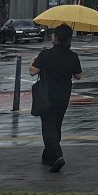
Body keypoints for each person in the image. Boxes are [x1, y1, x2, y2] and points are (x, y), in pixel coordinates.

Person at [29, 23, 82, 171]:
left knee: (48, 128)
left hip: (47, 95)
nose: (51, 36)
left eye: (53, 35)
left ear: (56, 38)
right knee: (56, 126)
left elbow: (33, 71)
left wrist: (32, 61)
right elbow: (78, 75)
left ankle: (57, 156)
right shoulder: (73, 56)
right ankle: (48, 157)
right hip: (64, 96)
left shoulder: (45, 54)